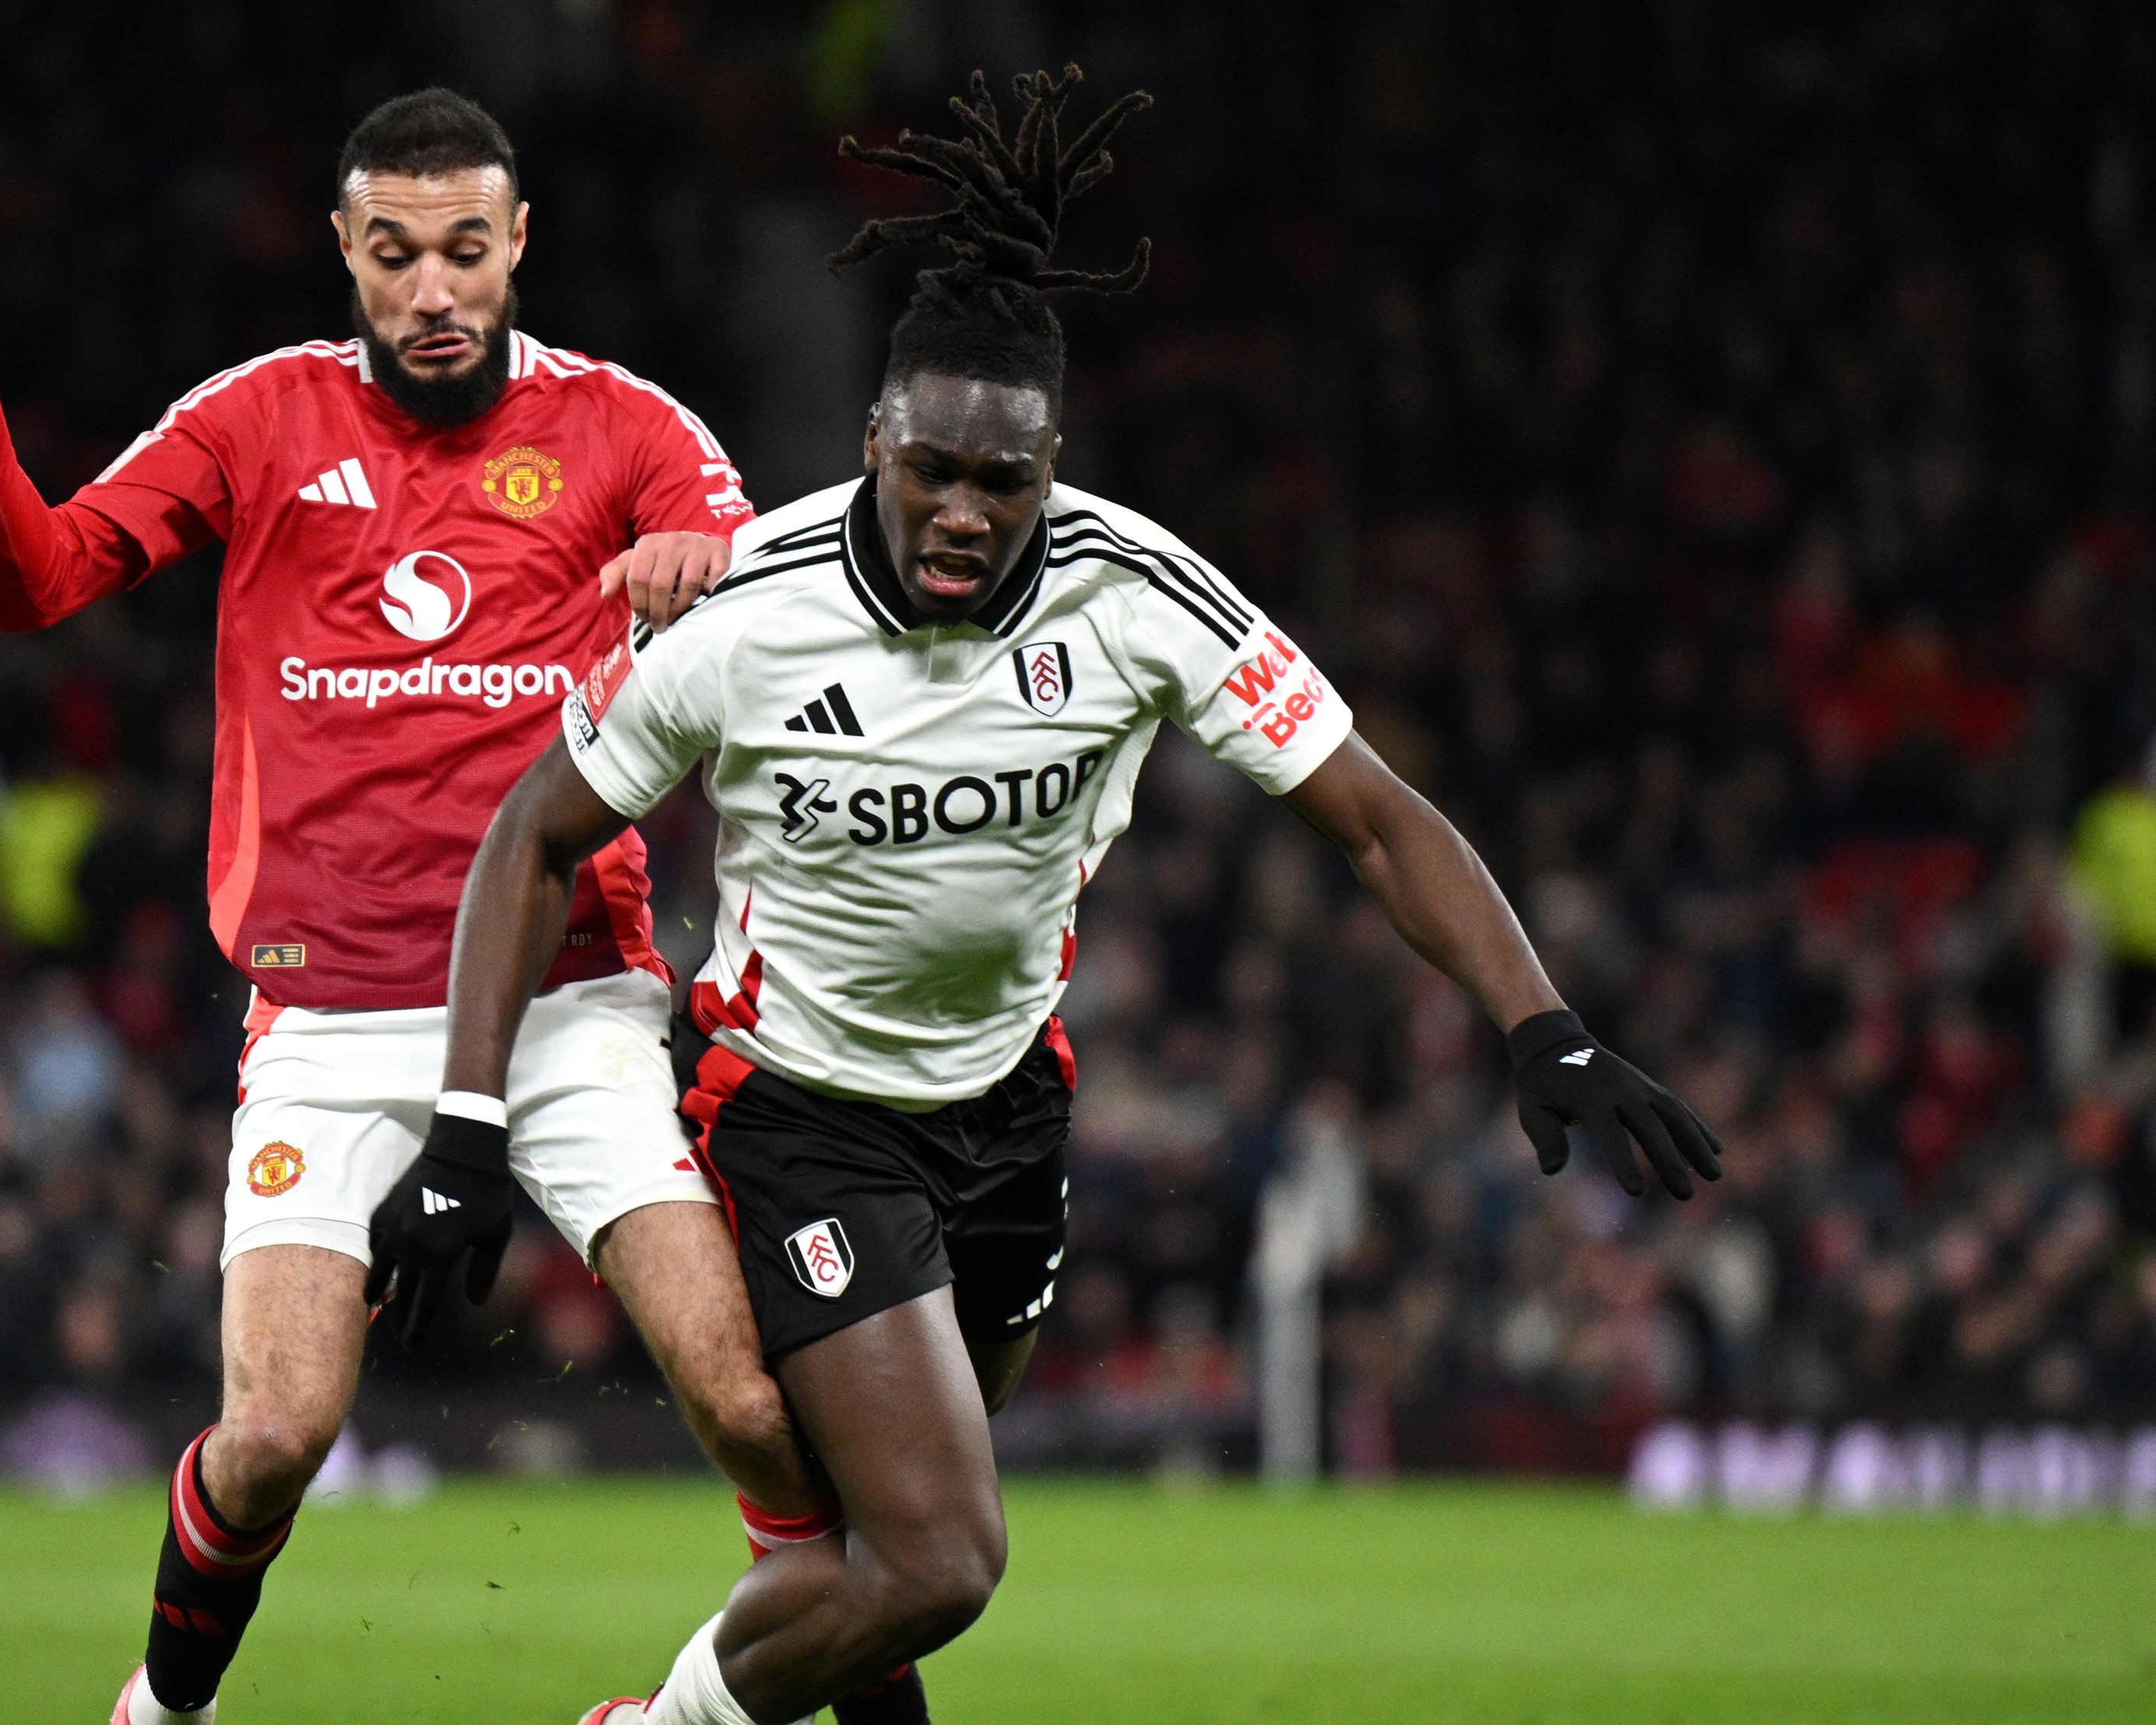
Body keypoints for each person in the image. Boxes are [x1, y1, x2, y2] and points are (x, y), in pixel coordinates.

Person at [383, 68, 1729, 1725]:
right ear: (874, 444)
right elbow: (530, 832)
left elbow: (1376, 818)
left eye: (1001, 481)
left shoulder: (1136, 592)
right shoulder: (743, 613)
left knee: (884, 1541)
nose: (963, 512)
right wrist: (464, 1117)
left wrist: (1544, 1026)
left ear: (1050, 467)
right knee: (942, 1557)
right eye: (931, 468)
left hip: (1010, 1109)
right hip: (800, 1110)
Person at [0, 89, 828, 1725]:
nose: (433, 290)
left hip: (570, 1003)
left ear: (517, 242)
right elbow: (38, 581)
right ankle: (162, 1709)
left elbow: (758, 599)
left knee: (752, 1409)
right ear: (344, 248)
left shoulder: (626, 427)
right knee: (270, 1437)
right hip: (327, 1020)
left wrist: (700, 577)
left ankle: (700, 1712)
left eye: (465, 249)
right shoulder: (261, 417)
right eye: (394, 254)